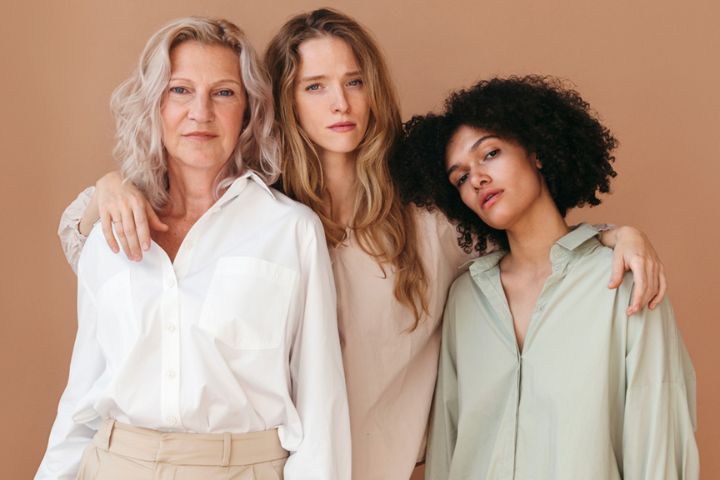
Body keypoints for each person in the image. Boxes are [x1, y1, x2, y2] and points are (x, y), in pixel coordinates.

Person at [56, 10, 667, 479]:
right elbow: (125, 274)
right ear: (285, 101)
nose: (341, 103)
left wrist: (611, 235)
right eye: (315, 86)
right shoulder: (261, 217)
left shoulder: (429, 219)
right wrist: (107, 188)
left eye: (354, 81)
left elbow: (526, 241)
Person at [37, 17, 350, 480]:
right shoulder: (111, 229)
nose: (200, 112)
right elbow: (81, 396)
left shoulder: (289, 230)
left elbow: (321, 403)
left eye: (223, 92)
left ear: (248, 110)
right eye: (180, 90)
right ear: (154, 106)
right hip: (112, 464)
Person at [395, 75, 698, 479]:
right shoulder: (467, 298)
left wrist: (617, 234)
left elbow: (659, 443)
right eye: (461, 177)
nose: (477, 179)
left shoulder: (623, 281)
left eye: (490, 154)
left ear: (536, 152)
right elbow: (448, 448)